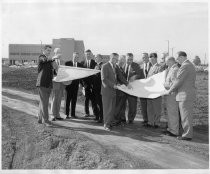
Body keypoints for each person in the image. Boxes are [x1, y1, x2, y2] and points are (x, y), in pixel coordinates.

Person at [166, 51, 196, 141]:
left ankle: (187, 135)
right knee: (185, 115)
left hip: (184, 94)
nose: (177, 60)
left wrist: (170, 90)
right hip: (186, 93)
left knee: (186, 115)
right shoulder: (189, 65)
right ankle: (186, 133)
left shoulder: (185, 66)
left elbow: (178, 81)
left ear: (182, 57)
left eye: (178, 58)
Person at [101, 53, 130, 131]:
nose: (116, 61)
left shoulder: (115, 66)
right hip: (107, 91)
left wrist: (127, 84)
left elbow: (120, 76)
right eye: (115, 59)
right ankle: (106, 125)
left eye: (117, 59)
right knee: (107, 109)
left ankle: (110, 123)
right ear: (111, 58)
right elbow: (104, 79)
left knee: (112, 109)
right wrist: (113, 85)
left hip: (114, 91)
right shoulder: (105, 66)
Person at [36, 45, 54, 127]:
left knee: (42, 102)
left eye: (50, 51)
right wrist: (52, 58)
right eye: (47, 50)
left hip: (48, 84)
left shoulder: (49, 62)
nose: (49, 52)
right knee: (45, 103)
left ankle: (40, 119)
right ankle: (46, 121)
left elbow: (52, 72)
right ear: (44, 50)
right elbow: (44, 60)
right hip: (42, 84)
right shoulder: (41, 57)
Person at [123, 53, 143, 124]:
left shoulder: (136, 65)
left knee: (132, 105)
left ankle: (131, 119)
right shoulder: (123, 65)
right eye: (128, 59)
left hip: (132, 88)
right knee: (122, 104)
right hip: (124, 88)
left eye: (131, 59)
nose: (129, 61)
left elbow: (139, 74)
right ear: (126, 59)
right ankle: (122, 118)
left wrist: (135, 76)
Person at [163, 57, 180, 137]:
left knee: (173, 112)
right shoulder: (171, 69)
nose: (166, 63)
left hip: (172, 94)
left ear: (171, 61)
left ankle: (174, 131)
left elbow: (174, 84)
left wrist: (165, 85)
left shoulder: (174, 70)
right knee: (170, 112)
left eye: (167, 62)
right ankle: (170, 129)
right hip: (169, 94)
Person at [146, 53, 163, 128]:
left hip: (156, 91)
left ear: (156, 58)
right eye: (150, 58)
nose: (151, 60)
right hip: (149, 91)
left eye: (152, 58)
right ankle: (150, 122)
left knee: (156, 108)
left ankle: (157, 123)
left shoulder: (159, 67)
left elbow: (160, 79)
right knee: (150, 107)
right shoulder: (151, 67)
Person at [81, 49, 99, 119]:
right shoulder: (82, 63)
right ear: (85, 55)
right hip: (85, 84)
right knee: (86, 99)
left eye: (89, 54)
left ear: (91, 55)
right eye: (86, 54)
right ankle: (86, 112)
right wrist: (82, 85)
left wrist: (94, 84)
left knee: (94, 99)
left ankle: (95, 113)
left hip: (93, 84)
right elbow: (81, 75)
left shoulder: (95, 63)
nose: (88, 55)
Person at [65, 52, 83, 119]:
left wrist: (81, 84)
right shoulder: (67, 63)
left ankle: (73, 114)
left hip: (76, 85)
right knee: (68, 100)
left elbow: (82, 75)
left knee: (74, 100)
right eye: (75, 56)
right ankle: (66, 114)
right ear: (72, 56)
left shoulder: (80, 65)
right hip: (68, 85)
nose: (76, 58)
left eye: (77, 57)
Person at [113, 55, 128, 126]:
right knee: (117, 106)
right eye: (121, 60)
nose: (122, 62)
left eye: (123, 61)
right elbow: (116, 78)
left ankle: (119, 120)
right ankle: (115, 120)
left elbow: (123, 78)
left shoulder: (121, 68)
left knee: (121, 106)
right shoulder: (115, 67)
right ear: (118, 60)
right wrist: (117, 83)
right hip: (118, 90)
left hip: (123, 90)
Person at [51, 48, 65, 121]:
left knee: (59, 99)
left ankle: (58, 114)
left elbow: (65, 72)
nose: (59, 53)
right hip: (54, 82)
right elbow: (51, 72)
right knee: (54, 98)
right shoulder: (51, 61)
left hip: (61, 83)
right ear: (54, 53)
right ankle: (53, 115)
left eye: (60, 52)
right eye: (57, 52)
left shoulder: (63, 61)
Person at [139, 52, 152, 126]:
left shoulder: (152, 66)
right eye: (143, 57)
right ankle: (145, 120)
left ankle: (150, 120)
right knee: (143, 105)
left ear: (148, 58)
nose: (144, 59)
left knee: (150, 105)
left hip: (150, 89)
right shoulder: (140, 66)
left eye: (146, 57)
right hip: (143, 89)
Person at [93, 54, 104, 123]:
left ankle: (101, 117)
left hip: (100, 87)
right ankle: (97, 116)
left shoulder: (102, 65)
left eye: (96, 57)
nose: (95, 58)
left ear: (100, 58)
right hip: (95, 87)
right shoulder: (96, 65)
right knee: (97, 102)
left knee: (100, 103)